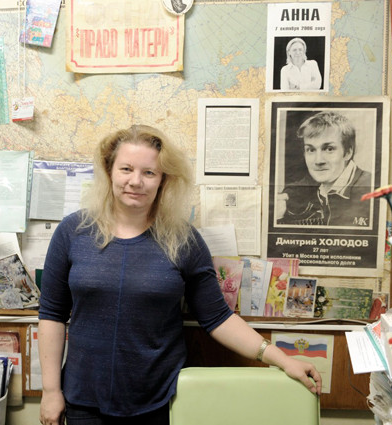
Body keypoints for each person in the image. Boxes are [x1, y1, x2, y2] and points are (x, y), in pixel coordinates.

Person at [38, 125, 322, 425]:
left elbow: (218, 318)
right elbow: (52, 314)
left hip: (158, 401)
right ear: (110, 171)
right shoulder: (73, 231)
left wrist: (282, 359)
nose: (136, 181)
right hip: (84, 400)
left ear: (163, 179)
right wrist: (50, 390)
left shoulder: (183, 239)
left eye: (149, 172)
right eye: (126, 169)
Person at [276, 111, 373, 226]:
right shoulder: (296, 193)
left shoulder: (372, 189)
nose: (318, 161)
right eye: (311, 150)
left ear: (348, 152)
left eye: (329, 149)